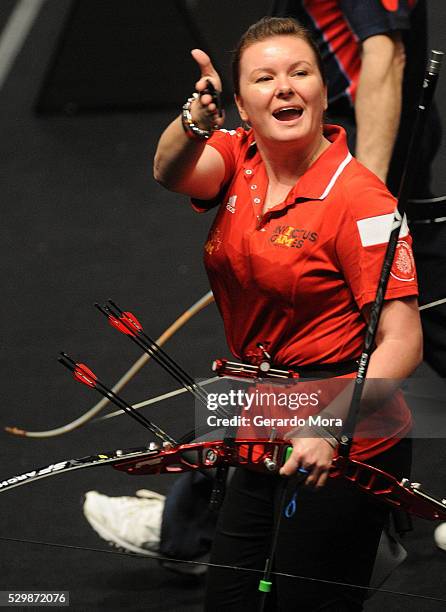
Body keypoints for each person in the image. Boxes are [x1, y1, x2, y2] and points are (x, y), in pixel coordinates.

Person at [149, 16, 422, 610]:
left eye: (301, 73)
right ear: (243, 106)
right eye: (264, 78)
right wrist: (194, 121)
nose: (285, 87)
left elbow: (402, 341)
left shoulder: (363, 201)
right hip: (263, 419)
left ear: (324, 91)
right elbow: (169, 171)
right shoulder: (237, 156)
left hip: (344, 431)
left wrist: (331, 424)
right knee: (231, 597)